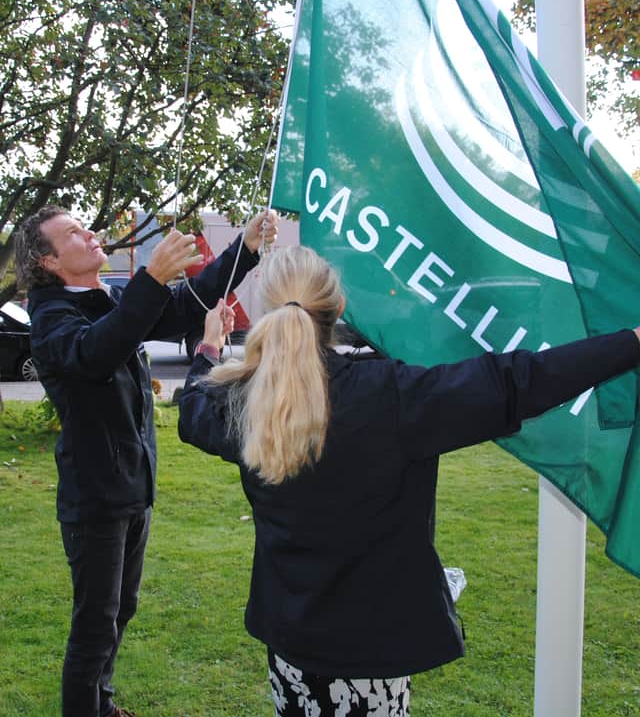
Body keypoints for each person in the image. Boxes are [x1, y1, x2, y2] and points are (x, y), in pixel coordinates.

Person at [178, 244, 640, 717]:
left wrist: (209, 348)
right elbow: (518, 381)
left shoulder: (244, 402)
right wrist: (632, 341)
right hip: (370, 653)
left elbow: (192, 410)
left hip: (290, 645)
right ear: (337, 309)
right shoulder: (392, 396)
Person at [14, 204, 278, 717]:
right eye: (72, 233)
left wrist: (243, 248)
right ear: (47, 262)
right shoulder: (52, 319)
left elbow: (190, 301)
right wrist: (151, 278)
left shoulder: (107, 297)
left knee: (121, 610)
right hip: (95, 498)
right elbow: (94, 352)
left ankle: (102, 704)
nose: (89, 234)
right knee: (95, 623)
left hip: (133, 486)